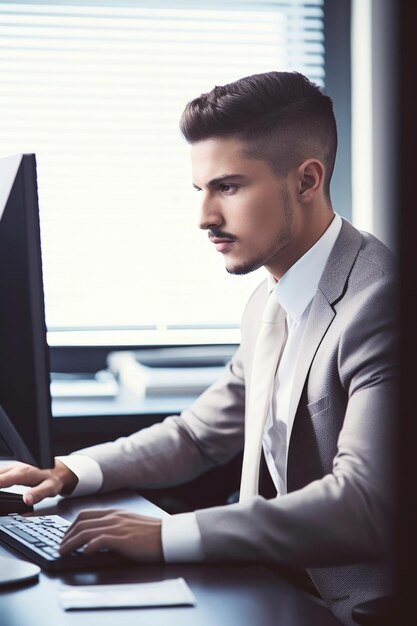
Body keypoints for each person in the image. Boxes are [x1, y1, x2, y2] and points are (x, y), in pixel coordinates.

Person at [0, 72, 397, 626]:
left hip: (359, 609)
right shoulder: (270, 301)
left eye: (229, 187)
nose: (205, 217)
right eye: (201, 190)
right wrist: (68, 471)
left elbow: (364, 504)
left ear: (307, 179)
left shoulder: (383, 303)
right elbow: (199, 432)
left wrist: (168, 533)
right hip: (274, 579)